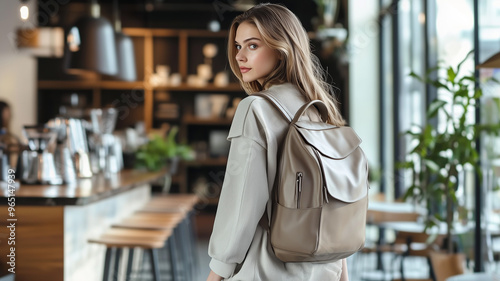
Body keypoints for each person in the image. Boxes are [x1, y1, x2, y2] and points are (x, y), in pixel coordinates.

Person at [207, 4, 349, 281]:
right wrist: (343, 272)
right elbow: (333, 203)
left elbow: (240, 205)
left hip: (267, 270)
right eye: (238, 46)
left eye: (253, 45)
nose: (240, 56)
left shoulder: (255, 109)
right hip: (323, 269)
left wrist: (217, 273)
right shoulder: (320, 110)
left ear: (282, 48)